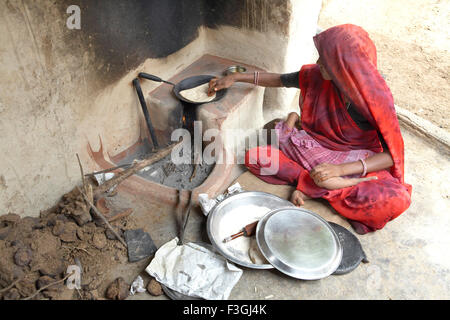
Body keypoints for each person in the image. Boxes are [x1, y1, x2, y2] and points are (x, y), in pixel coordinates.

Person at [208, 24, 412, 234]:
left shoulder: (374, 99)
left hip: (353, 162)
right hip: (311, 149)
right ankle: (318, 183)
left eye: (325, 60)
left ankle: (314, 184)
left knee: (396, 200)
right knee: (255, 157)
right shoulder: (316, 76)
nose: (318, 63)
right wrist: (236, 77)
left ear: (344, 66)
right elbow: (279, 80)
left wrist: (339, 171)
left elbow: (391, 156)